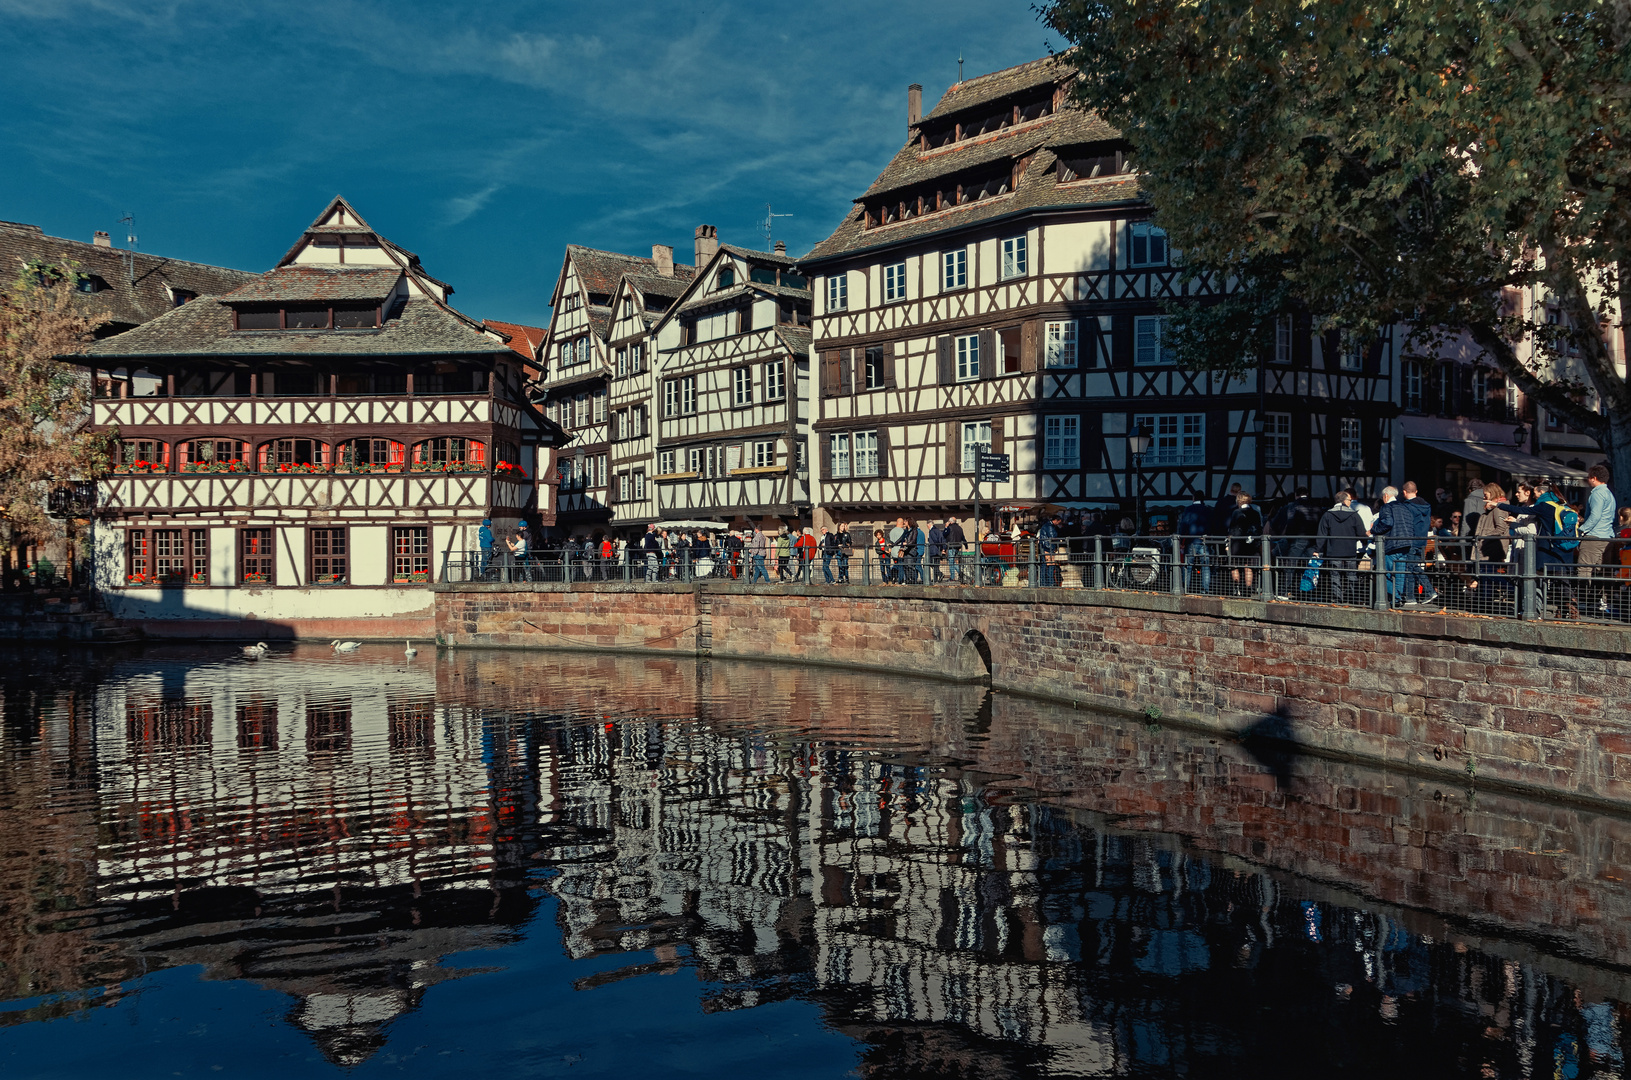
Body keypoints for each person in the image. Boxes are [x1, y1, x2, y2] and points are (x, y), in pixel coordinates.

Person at [1267, 487, 1323, 601]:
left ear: (1296, 495)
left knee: (1290, 566)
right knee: (1310, 566)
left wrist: (1287, 536)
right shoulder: (1317, 507)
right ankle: (1309, 593)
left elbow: (1280, 523)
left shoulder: (1291, 506)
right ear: (1307, 494)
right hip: (1313, 540)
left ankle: (1283, 592)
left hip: (1297, 539)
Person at [1316, 490, 1369, 603]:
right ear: (1345, 501)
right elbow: (1361, 533)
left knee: (1335, 576)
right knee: (1352, 576)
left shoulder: (1328, 515)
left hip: (1333, 551)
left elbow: (1322, 534)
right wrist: (1365, 542)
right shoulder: (1354, 515)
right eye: (1349, 500)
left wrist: (1318, 550)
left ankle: (1337, 599)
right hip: (1350, 550)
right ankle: (1354, 599)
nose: (1350, 502)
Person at [1578, 464, 1617, 614]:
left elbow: (1595, 515)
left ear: (1594, 478)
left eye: (1588, 477)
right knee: (1603, 571)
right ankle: (1602, 602)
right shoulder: (1609, 493)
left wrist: (1582, 530)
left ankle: (1583, 603)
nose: (1588, 480)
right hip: (1607, 536)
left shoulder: (1597, 494)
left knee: (1584, 569)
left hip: (1594, 536)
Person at [1399, 481, 1438, 606]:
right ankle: (1411, 598)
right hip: (1422, 540)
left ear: (1404, 492)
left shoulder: (1406, 507)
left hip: (1410, 540)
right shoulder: (1426, 505)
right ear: (1416, 491)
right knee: (1412, 567)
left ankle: (1428, 591)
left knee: (1410, 567)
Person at [1225, 492, 1262, 596]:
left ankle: (1237, 589)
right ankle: (1248, 589)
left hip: (1237, 543)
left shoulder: (1236, 512)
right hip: (1251, 544)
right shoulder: (1255, 513)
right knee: (1248, 567)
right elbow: (1258, 529)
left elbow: (1232, 529)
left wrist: (1227, 544)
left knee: (1234, 566)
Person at [1176, 496, 1212, 594]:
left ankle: (1186, 588)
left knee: (1188, 566)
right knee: (1205, 566)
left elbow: (1184, 526)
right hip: (1204, 541)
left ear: (1193, 498)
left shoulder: (1188, 509)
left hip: (1190, 541)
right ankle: (1205, 590)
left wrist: (1182, 541)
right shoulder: (1207, 510)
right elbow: (1211, 524)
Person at [1038, 514, 1062, 587]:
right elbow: (1052, 537)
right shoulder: (1050, 527)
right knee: (1050, 565)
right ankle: (1050, 582)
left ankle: (1044, 582)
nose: (1059, 524)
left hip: (1045, 547)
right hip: (1048, 548)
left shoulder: (1046, 525)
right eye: (1059, 522)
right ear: (1055, 520)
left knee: (1044, 566)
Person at [945, 517, 966, 582]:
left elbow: (944, 534)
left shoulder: (949, 528)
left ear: (950, 522)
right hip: (958, 546)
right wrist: (966, 546)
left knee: (951, 562)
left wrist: (946, 527)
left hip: (951, 546)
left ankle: (952, 577)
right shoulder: (960, 528)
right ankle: (961, 573)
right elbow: (963, 537)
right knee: (953, 562)